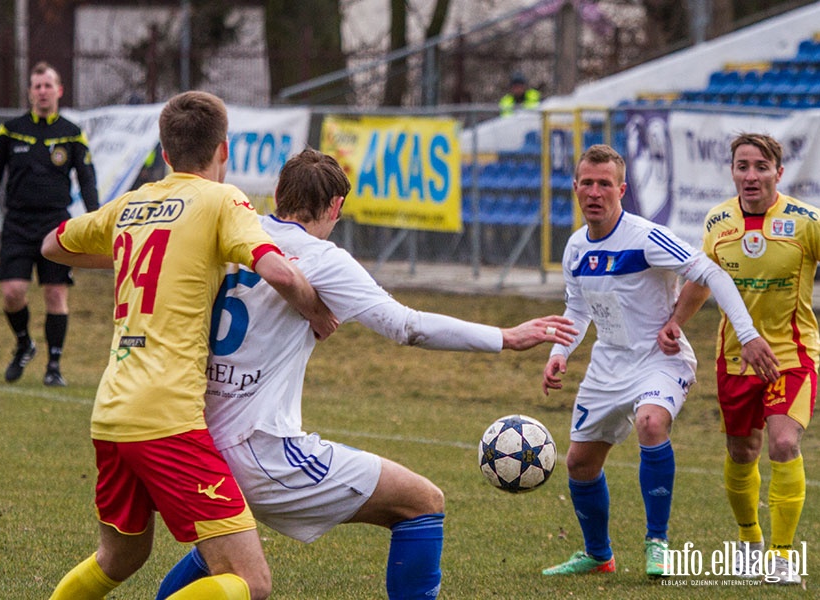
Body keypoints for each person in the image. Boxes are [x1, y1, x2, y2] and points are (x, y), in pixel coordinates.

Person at [154, 148, 580, 600]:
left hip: (198, 445)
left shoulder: (231, 236)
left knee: (224, 555)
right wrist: (505, 336)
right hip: (261, 449)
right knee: (422, 503)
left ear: (278, 193)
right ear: (336, 207)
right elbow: (406, 326)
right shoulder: (322, 258)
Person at [40, 91, 338, 600]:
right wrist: (316, 310)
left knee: (121, 556)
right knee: (251, 581)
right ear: (224, 150)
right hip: (167, 419)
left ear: (163, 151)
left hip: (112, 414)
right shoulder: (223, 200)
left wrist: (122, 253)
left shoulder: (133, 202)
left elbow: (53, 245)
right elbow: (276, 270)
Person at [540, 144, 776, 578]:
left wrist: (747, 335)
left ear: (622, 189)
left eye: (604, 184)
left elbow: (711, 274)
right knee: (579, 463)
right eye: (587, 183)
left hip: (659, 361)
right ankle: (598, 556)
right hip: (607, 366)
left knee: (651, 423)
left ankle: (658, 544)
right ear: (575, 188)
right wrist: (559, 353)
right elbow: (577, 309)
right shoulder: (575, 248)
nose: (595, 192)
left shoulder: (646, 236)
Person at [658, 133, 815, 585]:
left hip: (792, 355)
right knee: (741, 451)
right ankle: (750, 540)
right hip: (735, 359)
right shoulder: (718, 221)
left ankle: (782, 557)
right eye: (742, 166)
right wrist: (675, 322)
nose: (751, 175)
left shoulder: (806, 223)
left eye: (761, 167)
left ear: (778, 173)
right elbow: (703, 281)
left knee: (783, 444)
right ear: (732, 172)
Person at [0, 61, 99, 387]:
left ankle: (54, 365)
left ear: (59, 90)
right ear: (30, 92)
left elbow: (87, 179)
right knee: (13, 292)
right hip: (18, 223)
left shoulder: (71, 133)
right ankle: (25, 343)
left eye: (48, 85)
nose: (42, 91)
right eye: (37, 86)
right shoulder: (10, 130)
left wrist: (97, 219)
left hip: (56, 224)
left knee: (56, 293)